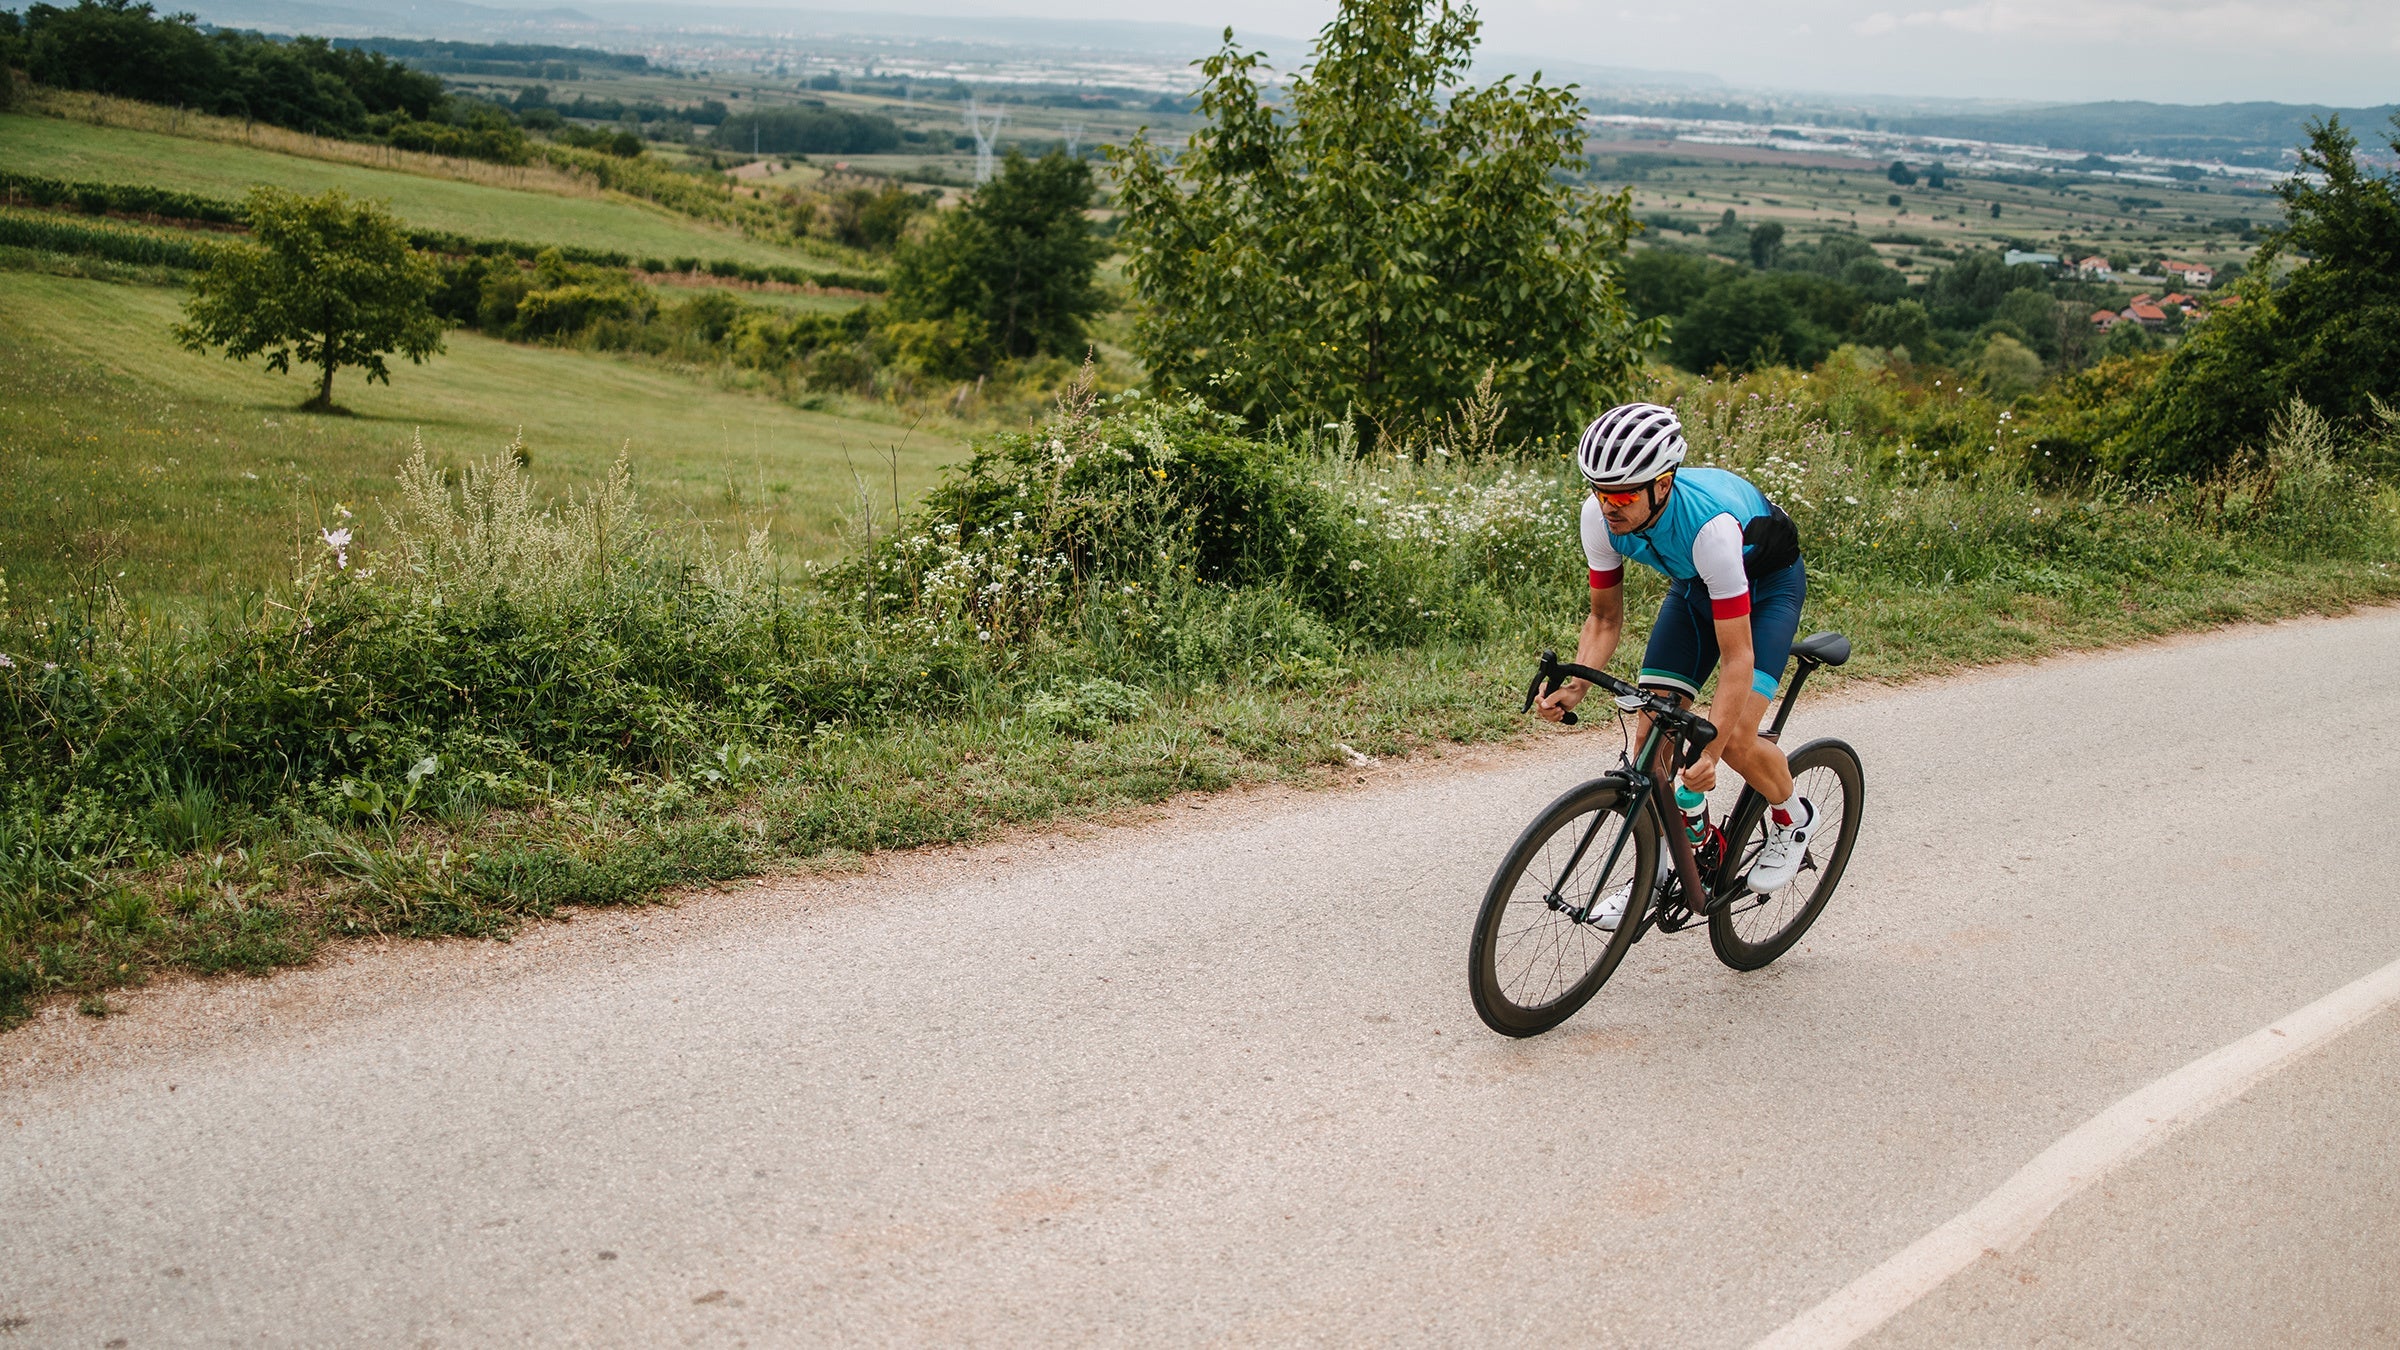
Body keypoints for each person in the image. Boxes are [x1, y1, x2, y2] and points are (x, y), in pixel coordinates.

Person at [1534, 401, 1816, 924]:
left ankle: (1792, 816)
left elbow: (1737, 658)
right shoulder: (1599, 516)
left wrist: (1710, 749)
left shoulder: (1709, 528)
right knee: (1650, 743)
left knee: (1731, 739)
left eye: (1620, 493)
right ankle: (1664, 867)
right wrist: (1575, 687)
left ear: (1662, 485)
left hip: (1767, 589)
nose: (1607, 505)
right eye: (1598, 490)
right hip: (1695, 587)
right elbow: (1603, 620)